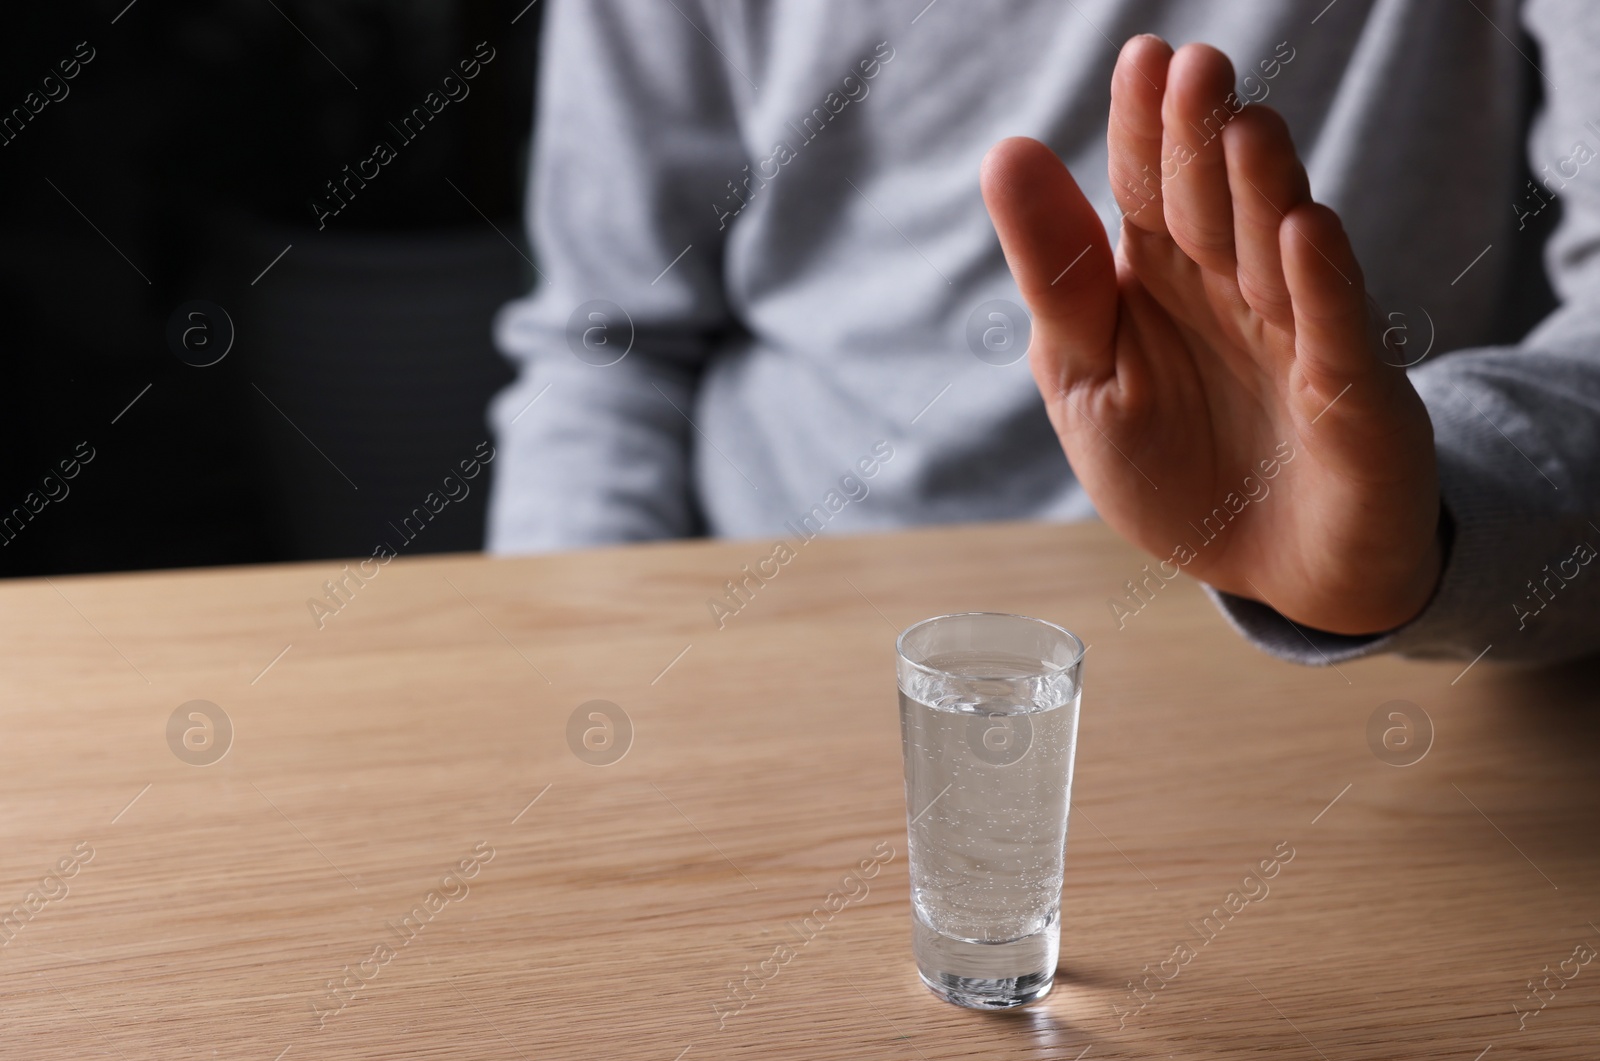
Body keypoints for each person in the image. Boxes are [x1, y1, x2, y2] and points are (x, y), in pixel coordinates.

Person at [486, 0, 1600, 664]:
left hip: (1349, 694)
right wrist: (598, 683)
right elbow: (609, 341)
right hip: (772, 621)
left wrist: (1433, 531)